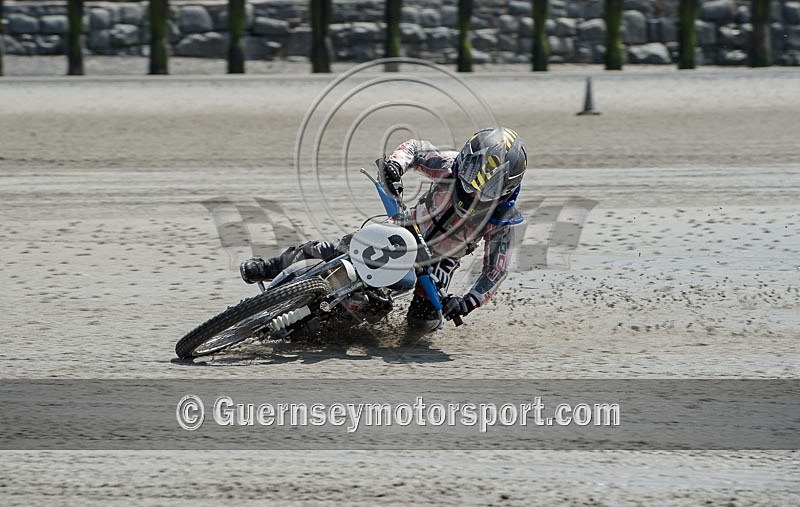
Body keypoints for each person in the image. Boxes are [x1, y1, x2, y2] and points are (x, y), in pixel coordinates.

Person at [240, 126, 527, 332]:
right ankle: (270, 266)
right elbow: (414, 149)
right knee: (334, 250)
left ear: (507, 185)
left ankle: (341, 325)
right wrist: (395, 165)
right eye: (472, 172)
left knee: (423, 322)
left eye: (487, 183)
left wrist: (468, 301)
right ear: (466, 159)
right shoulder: (449, 164)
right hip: (404, 228)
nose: (473, 185)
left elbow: (495, 270)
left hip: (440, 260)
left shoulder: (504, 220)